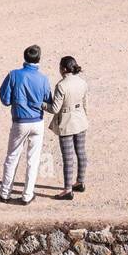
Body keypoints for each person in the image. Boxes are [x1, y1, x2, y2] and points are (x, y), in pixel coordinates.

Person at [0, 44, 53, 205]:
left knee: (12, 156)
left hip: (20, 121)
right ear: (39, 59)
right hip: (37, 121)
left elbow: (5, 100)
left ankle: (5, 192)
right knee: (33, 159)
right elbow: (48, 100)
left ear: (25, 57)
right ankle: (27, 194)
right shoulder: (43, 78)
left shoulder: (14, 75)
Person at [47, 55, 89, 200]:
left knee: (68, 157)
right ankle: (80, 182)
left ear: (63, 69)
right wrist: (84, 118)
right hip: (81, 120)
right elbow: (85, 104)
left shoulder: (61, 85)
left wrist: (40, 104)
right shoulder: (82, 82)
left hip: (66, 123)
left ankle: (67, 189)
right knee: (81, 152)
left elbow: (54, 108)